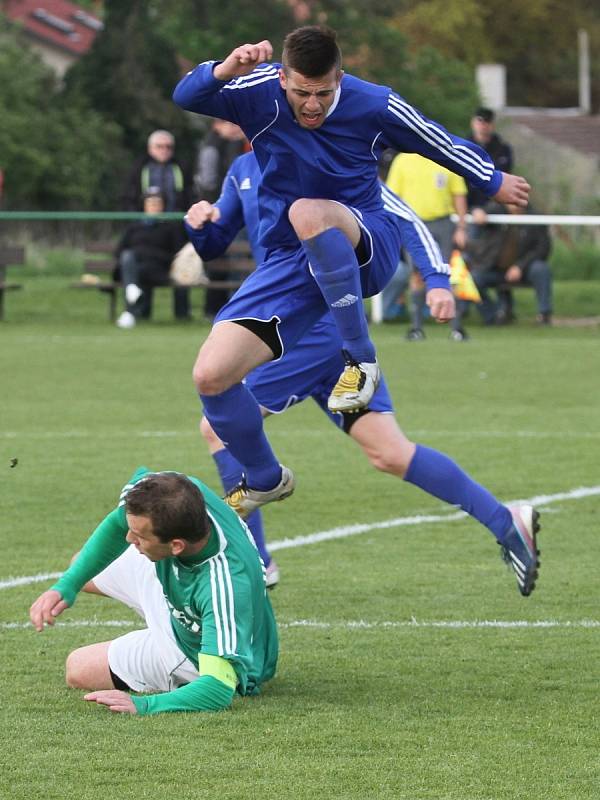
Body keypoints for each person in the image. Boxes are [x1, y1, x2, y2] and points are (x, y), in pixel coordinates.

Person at [173, 25, 530, 519]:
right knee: (210, 377)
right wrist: (228, 67)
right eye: (302, 93)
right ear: (282, 80)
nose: (313, 105)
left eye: (324, 92)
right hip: (290, 273)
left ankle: (361, 361)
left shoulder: (374, 104)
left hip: (366, 244)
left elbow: (435, 140)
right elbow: (187, 93)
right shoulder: (257, 94)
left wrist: (490, 179)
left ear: (340, 76)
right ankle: (264, 478)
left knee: (308, 212)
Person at [185, 151, 542, 598]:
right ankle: (504, 520)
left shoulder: (321, 156)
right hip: (304, 331)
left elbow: (404, 216)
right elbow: (214, 242)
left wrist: (435, 278)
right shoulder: (243, 168)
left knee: (216, 427)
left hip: (311, 329)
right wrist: (200, 223)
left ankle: (257, 561)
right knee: (389, 452)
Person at [29, 467, 278, 715]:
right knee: (80, 565)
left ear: (176, 545)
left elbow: (217, 688)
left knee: (78, 668)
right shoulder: (173, 491)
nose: (128, 538)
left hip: (191, 651)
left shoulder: (225, 587)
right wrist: (67, 585)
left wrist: (145, 705)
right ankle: (151, 611)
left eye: (138, 536)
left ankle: (160, 648)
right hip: (175, 582)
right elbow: (119, 524)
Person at [385, 153, 469, 341]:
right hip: (413, 225)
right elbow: (392, 197)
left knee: (449, 274)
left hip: (443, 224)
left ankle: (456, 328)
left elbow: (459, 195)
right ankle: (417, 328)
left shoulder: (444, 157)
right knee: (417, 276)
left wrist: (462, 227)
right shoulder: (402, 160)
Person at [120, 129, 193, 320]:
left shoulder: (180, 167)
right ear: (150, 148)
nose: (164, 150)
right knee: (134, 259)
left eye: (169, 147)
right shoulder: (140, 168)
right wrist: (137, 221)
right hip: (144, 228)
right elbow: (129, 196)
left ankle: (182, 315)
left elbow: (189, 196)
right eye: (159, 146)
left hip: (174, 229)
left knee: (179, 261)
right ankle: (139, 313)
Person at [194, 119, 249, 319]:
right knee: (233, 264)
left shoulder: (226, 145)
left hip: (224, 211)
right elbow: (210, 182)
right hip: (223, 211)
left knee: (229, 264)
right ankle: (234, 311)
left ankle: (224, 310)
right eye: (228, 123)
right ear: (217, 126)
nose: (235, 127)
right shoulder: (214, 147)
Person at [467, 203, 553, 325]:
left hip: (526, 269)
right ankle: (493, 317)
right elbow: (473, 209)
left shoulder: (535, 218)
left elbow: (543, 247)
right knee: (472, 279)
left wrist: (520, 266)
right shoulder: (494, 212)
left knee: (541, 269)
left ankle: (544, 314)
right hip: (495, 269)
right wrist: (476, 209)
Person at [114, 188, 188, 329]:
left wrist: (146, 253)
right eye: (150, 203)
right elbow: (119, 252)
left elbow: (176, 254)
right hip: (134, 267)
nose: (154, 206)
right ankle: (131, 298)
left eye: (157, 203)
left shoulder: (170, 227)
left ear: (163, 206)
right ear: (144, 205)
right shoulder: (134, 227)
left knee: (133, 268)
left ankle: (130, 311)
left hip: (158, 269)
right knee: (129, 258)